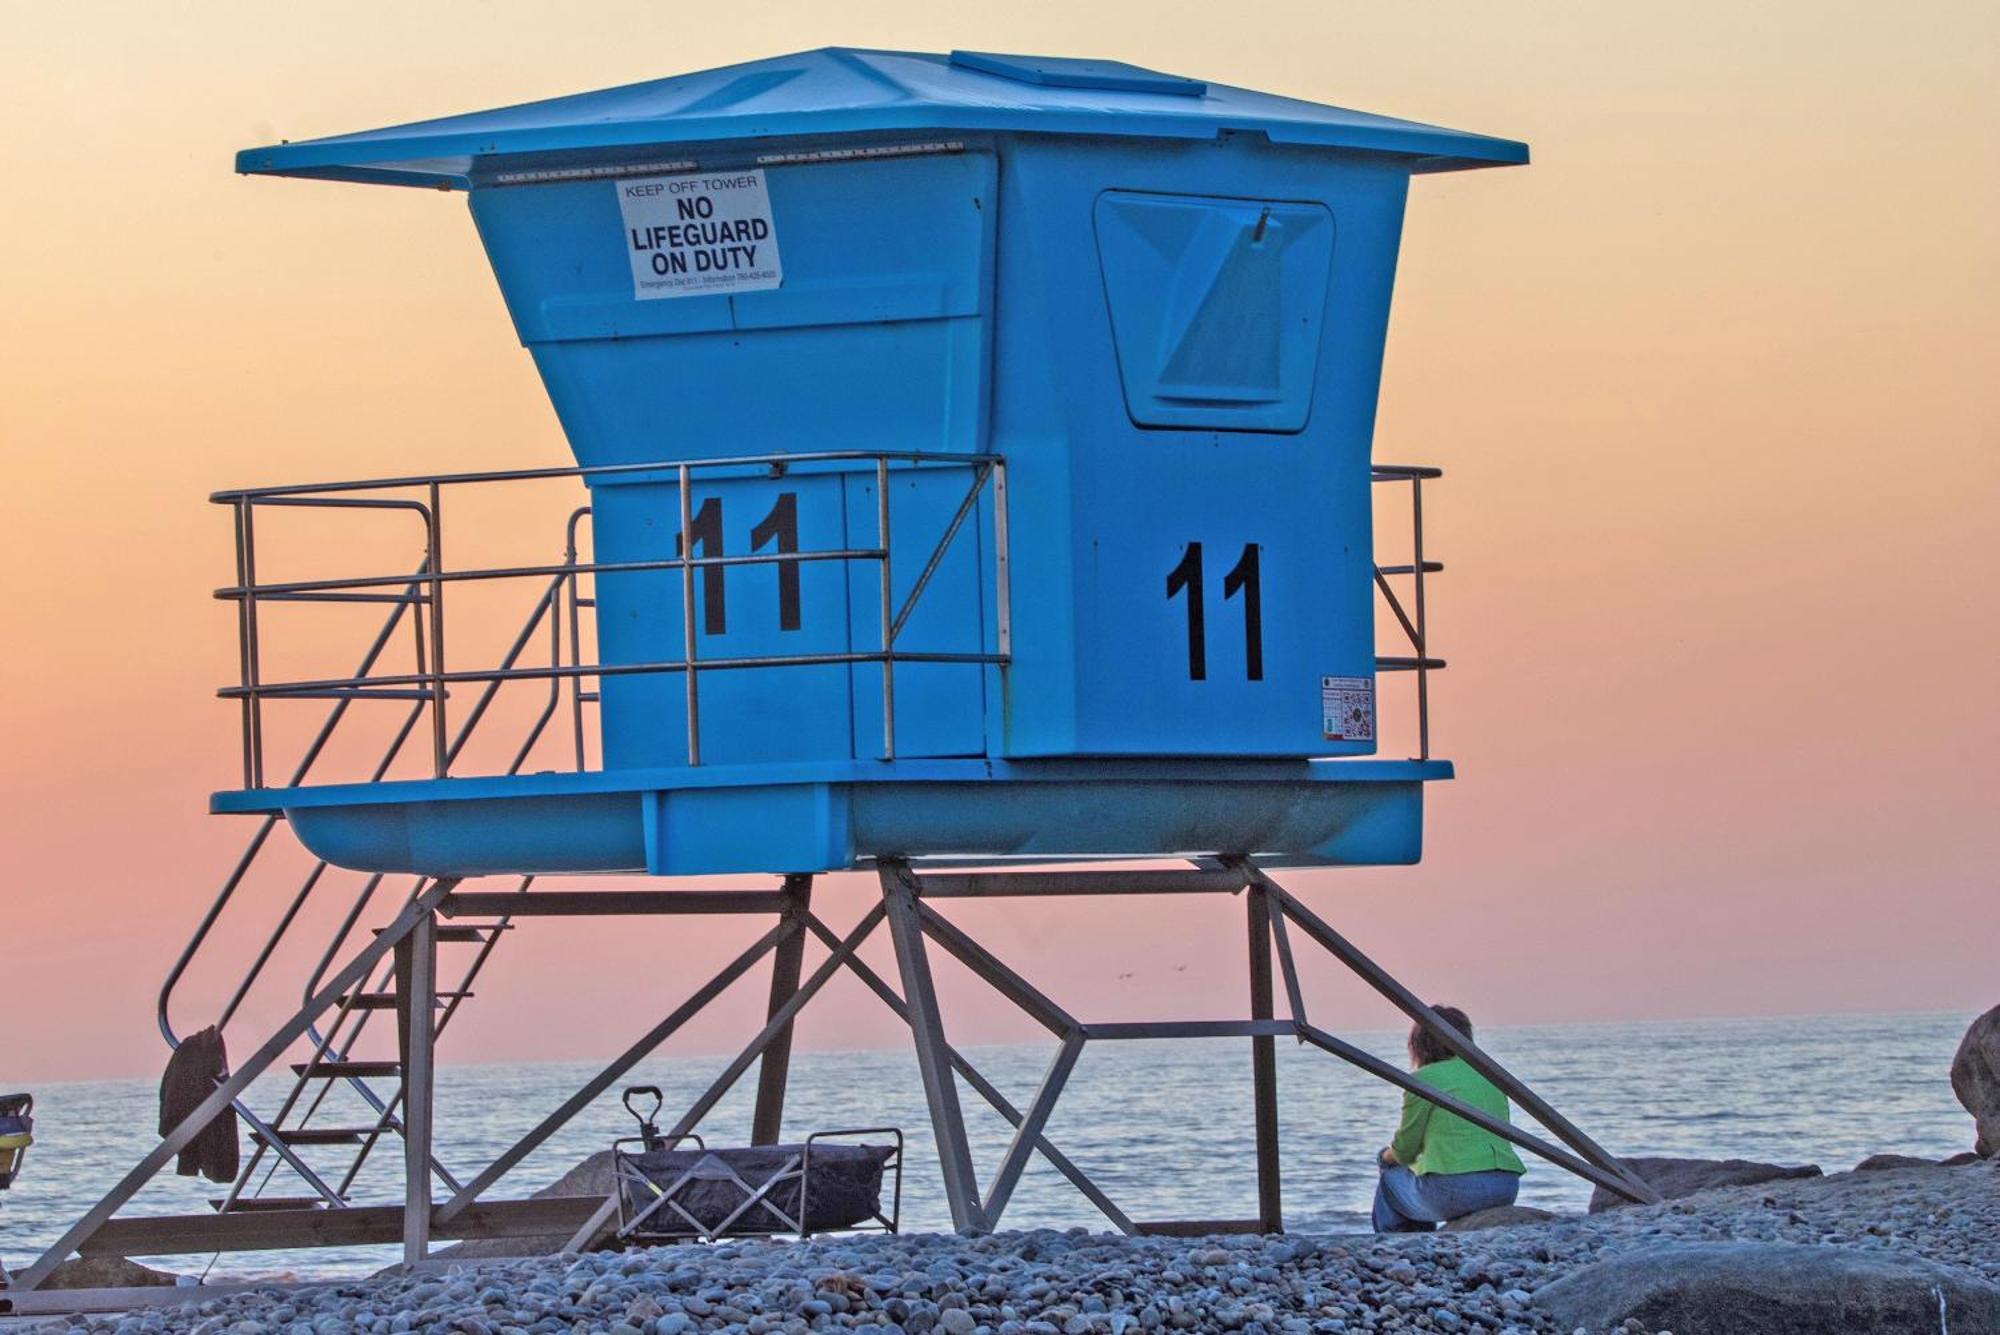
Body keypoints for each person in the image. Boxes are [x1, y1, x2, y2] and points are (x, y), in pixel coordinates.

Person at [1371, 1005, 1526, 1232]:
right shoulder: (1490, 1075)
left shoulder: (1424, 1079)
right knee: (1420, 1173)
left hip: (1456, 1190)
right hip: (1505, 1187)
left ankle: (1397, 1243)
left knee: (1389, 1176)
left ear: (1420, 1044)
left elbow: (1405, 1151)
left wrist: (1384, 1156)